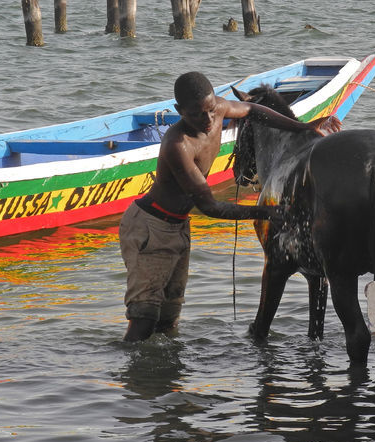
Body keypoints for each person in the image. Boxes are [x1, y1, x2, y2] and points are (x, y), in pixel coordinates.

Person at [119, 71, 340, 342]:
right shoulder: (178, 145)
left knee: (169, 318)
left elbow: (252, 109)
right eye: (198, 115)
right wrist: (266, 212)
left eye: (212, 110)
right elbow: (210, 206)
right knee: (143, 319)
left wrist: (303, 127)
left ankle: (166, 382)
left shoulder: (218, 108)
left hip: (178, 225)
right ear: (180, 111)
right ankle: (126, 376)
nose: (209, 120)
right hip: (151, 228)